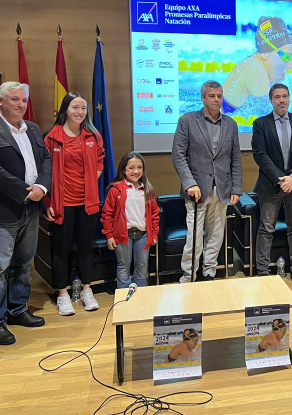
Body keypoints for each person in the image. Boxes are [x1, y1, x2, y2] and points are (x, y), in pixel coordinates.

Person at [0, 82, 51, 345]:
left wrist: (42, 187)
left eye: (24, 100)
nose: (20, 105)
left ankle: (17, 310)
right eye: (14, 99)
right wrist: (26, 190)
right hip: (0, 211)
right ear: (0, 101)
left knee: (24, 264)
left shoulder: (33, 128)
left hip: (31, 208)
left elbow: (46, 160)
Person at [172, 80, 242, 283]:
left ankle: (209, 272)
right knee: (194, 237)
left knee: (216, 235)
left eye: (219, 96)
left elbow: (235, 159)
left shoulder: (231, 124)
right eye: (212, 96)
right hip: (196, 190)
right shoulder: (187, 120)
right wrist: (189, 183)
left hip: (222, 190)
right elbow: (178, 155)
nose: (217, 99)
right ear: (203, 98)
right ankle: (189, 275)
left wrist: (236, 188)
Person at [44, 92, 104, 316]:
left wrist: (88, 183)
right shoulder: (52, 137)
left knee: (85, 248)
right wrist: (48, 201)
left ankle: (86, 290)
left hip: (87, 203)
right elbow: (45, 172)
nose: (80, 112)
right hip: (62, 203)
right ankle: (62, 295)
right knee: (61, 249)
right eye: (75, 108)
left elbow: (99, 164)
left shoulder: (93, 136)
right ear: (65, 110)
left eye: (83, 108)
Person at [251, 83, 292, 287]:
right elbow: (260, 155)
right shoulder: (260, 124)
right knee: (266, 228)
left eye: (285, 96)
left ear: (289, 98)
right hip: (271, 185)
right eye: (277, 97)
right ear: (271, 100)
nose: (282, 100)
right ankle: (262, 272)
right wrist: (281, 178)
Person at [101, 152, 160, 289]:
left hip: (143, 234)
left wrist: (154, 234)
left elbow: (154, 213)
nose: (136, 171)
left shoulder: (148, 190)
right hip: (123, 234)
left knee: (142, 264)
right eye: (131, 168)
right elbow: (107, 214)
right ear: (124, 169)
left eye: (139, 167)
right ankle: (124, 297)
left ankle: (141, 294)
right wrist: (109, 235)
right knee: (123, 265)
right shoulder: (115, 190)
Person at [222, 16, 292, 112]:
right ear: (265, 53)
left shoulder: (255, 65)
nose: (290, 66)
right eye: (286, 57)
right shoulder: (255, 67)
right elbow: (271, 112)